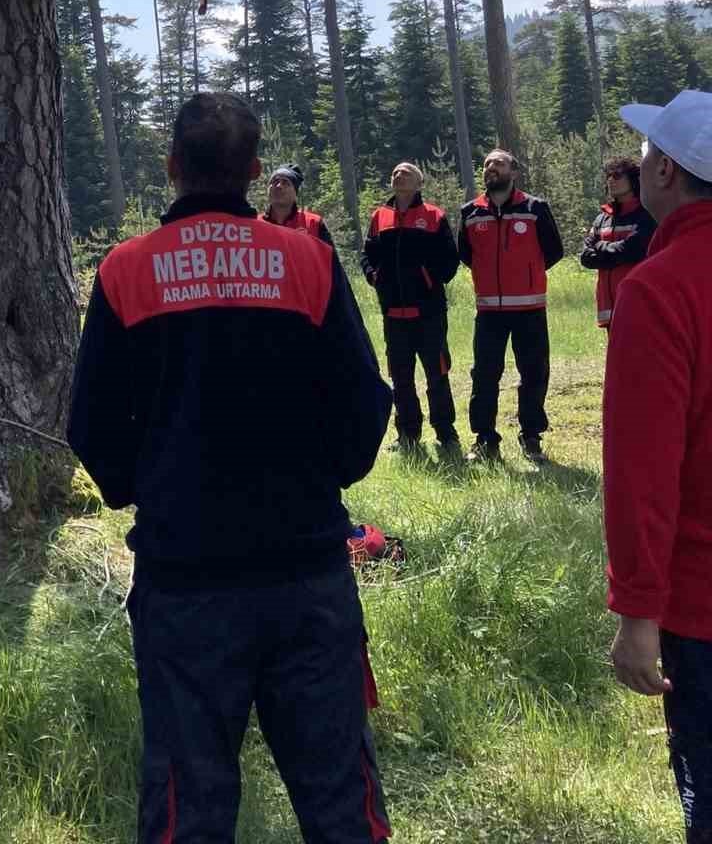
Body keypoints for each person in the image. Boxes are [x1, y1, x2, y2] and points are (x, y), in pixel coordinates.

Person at [68, 92, 393, 844]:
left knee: (187, 807)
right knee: (342, 803)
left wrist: (145, 488)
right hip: (307, 574)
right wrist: (321, 483)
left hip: (184, 584)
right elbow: (364, 403)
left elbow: (91, 424)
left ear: (171, 166)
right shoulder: (308, 261)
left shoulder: (126, 271)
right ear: (253, 171)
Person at [603, 90, 712, 844]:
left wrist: (638, 613)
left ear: (667, 170)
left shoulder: (661, 288)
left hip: (701, 607)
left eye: (645, 153)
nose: (638, 165)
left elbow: (642, 472)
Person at [459, 148, 564, 463]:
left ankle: (531, 437)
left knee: (533, 373)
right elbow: (466, 254)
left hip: (529, 308)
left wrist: (526, 274)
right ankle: (485, 439)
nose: (491, 167)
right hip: (488, 311)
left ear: (513, 172)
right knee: (484, 375)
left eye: (499, 163)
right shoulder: (470, 212)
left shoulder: (535, 208)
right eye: (487, 163)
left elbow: (554, 251)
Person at [362, 161, 461, 456]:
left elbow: (450, 260)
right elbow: (367, 255)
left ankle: (446, 433)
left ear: (419, 183)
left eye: (405, 173)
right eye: (394, 173)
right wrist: (374, 277)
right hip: (393, 314)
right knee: (400, 377)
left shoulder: (433, 215)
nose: (398, 176)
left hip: (429, 313)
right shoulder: (379, 216)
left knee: (437, 374)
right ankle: (407, 433)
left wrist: (428, 279)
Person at [578, 155, 656, 332]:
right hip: (609, 309)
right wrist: (615, 253)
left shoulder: (646, 215)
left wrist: (600, 247)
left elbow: (633, 250)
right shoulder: (602, 218)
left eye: (617, 175)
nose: (611, 180)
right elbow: (586, 258)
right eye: (608, 176)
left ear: (634, 180)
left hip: (639, 305)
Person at [262, 162, 335, 245]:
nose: (279, 186)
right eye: (275, 181)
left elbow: (328, 253)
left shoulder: (313, 224)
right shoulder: (256, 223)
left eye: (285, 183)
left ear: (295, 192)